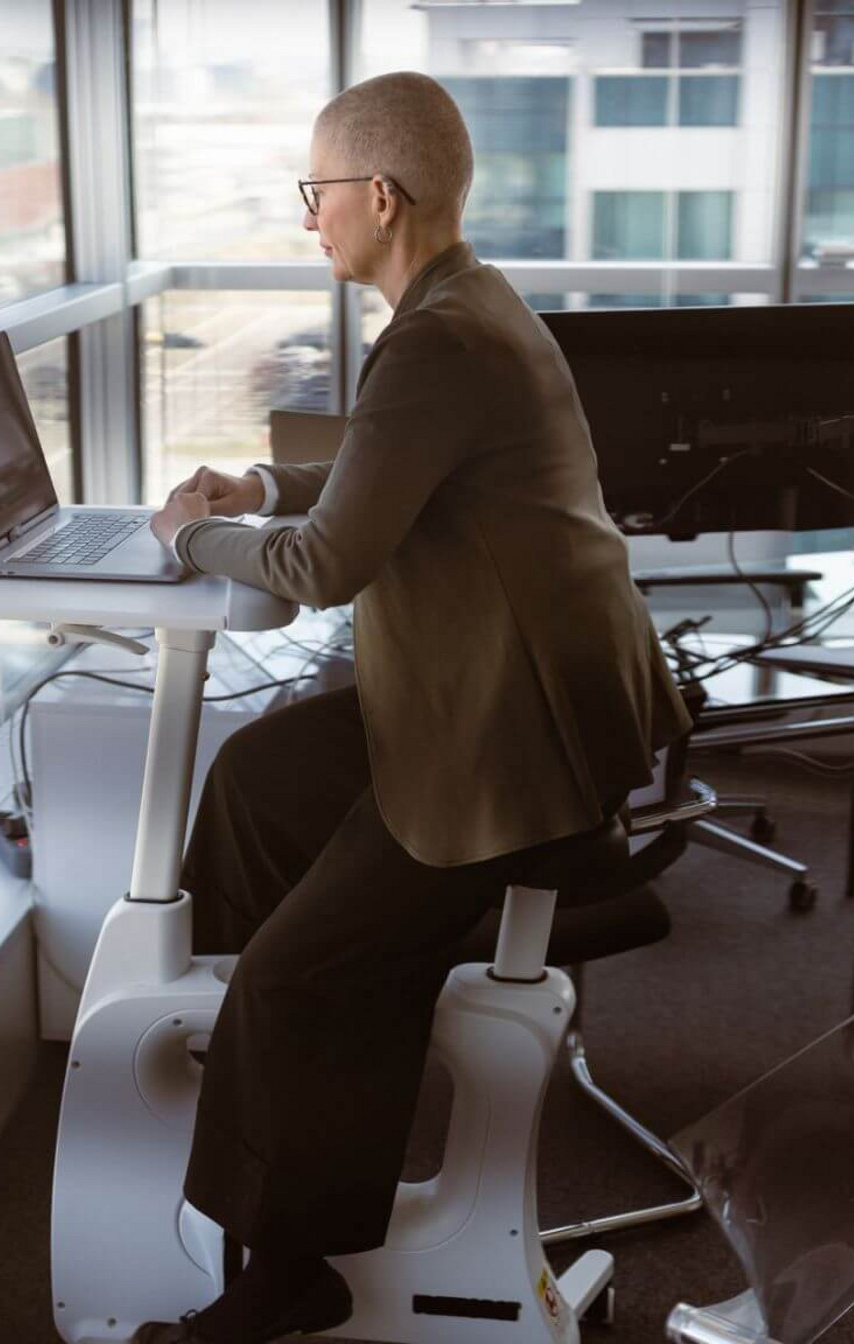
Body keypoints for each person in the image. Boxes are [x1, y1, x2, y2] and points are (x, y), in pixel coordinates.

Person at [137, 71, 691, 1344]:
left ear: (377, 195)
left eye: (315, 194)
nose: (308, 219)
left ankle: (289, 1272)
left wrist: (185, 533)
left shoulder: (440, 332)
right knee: (258, 782)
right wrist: (262, 481)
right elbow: (387, 459)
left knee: (297, 973)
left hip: (520, 745)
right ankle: (272, 1076)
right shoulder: (463, 301)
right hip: (491, 692)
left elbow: (323, 565)